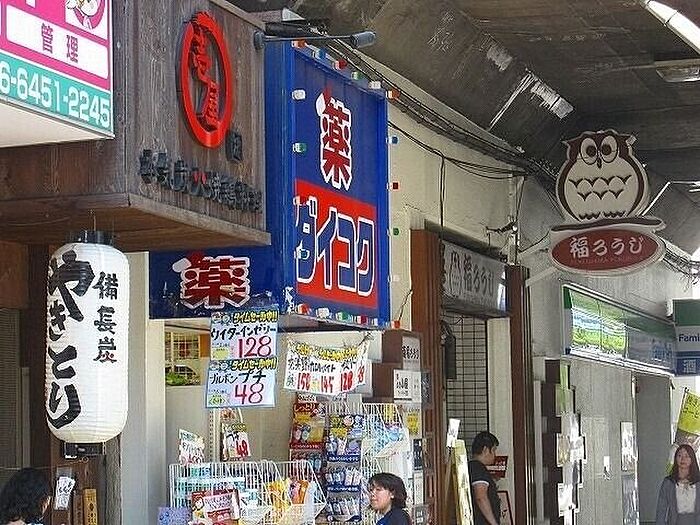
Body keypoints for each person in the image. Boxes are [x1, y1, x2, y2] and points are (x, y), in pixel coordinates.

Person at [656, 444, 700, 524]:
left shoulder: (698, 482)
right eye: (679, 456)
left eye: (686, 456)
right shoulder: (668, 482)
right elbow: (661, 509)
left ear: (692, 459)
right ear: (675, 458)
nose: (683, 459)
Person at [468, 431, 501, 525]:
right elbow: (481, 497)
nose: (495, 454)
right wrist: (494, 523)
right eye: (493, 450)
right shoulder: (478, 468)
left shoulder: (472, 467)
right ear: (485, 450)